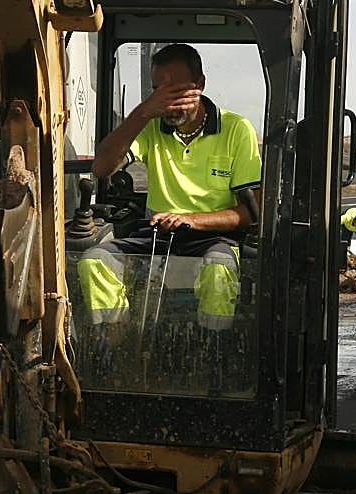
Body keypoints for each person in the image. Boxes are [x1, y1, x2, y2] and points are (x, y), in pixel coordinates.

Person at [81, 44, 260, 333]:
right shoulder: (150, 127)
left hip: (214, 238)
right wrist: (142, 113)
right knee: (94, 261)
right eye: (158, 92)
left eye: (175, 91)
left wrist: (191, 220)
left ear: (200, 85)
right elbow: (102, 168)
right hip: (157, 235)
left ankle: (210, 352)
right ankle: (117, 347)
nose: (167, 103)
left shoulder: (236, 130)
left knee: (218, 270)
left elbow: (251, 212)